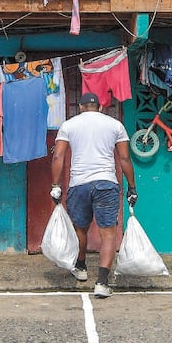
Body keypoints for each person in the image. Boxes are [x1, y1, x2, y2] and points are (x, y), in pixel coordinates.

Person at [50, 92, 138, 299]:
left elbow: (58, 155)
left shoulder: (69, 125)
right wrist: (132, 187)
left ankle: (81, 268)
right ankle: (102, 282)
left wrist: (55, 185)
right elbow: (124, 158)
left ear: (80, 107)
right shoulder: (115, 125)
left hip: (78, 184)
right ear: (99, 107)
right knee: (108, 233)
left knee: (80, 229)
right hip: (106, 183)